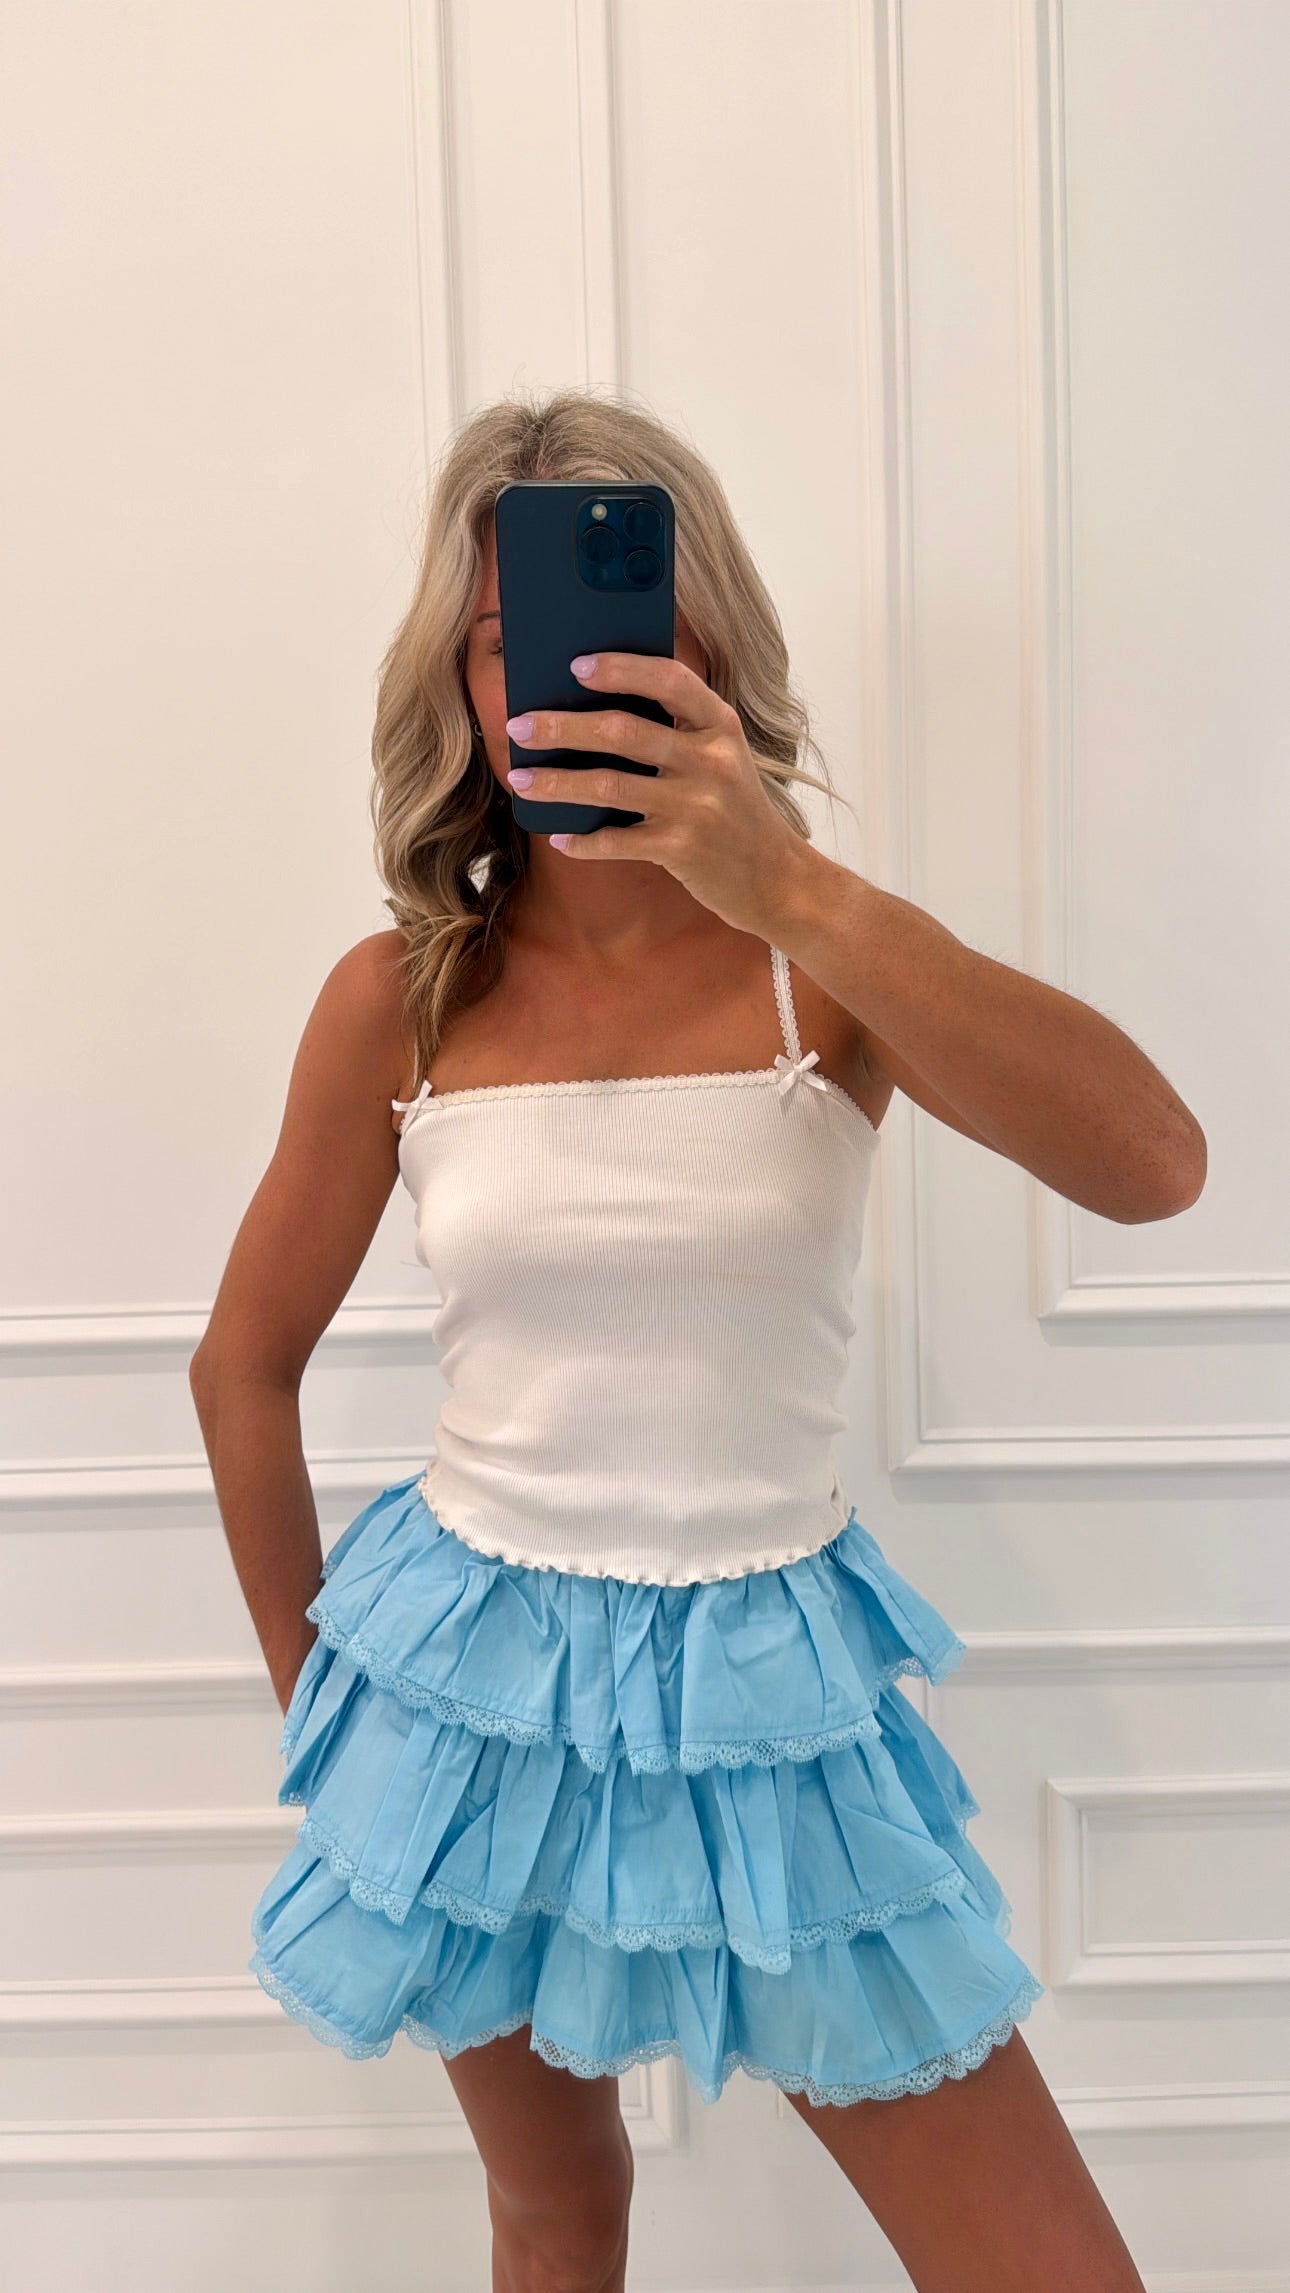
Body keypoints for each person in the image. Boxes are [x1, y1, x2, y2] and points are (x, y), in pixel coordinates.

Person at [190, 388, 1202, 2291]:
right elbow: (240, 1366)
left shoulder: (826, 963)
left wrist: (789, 881)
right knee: (554, 2215)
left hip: (765, 1691)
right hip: (465, 1684)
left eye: (619, 625)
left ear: (708, 651)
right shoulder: (400, 998)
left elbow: (1153, 1168)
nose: (562, 676)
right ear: (460, 681)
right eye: (509, 639)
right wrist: (316, 1706)